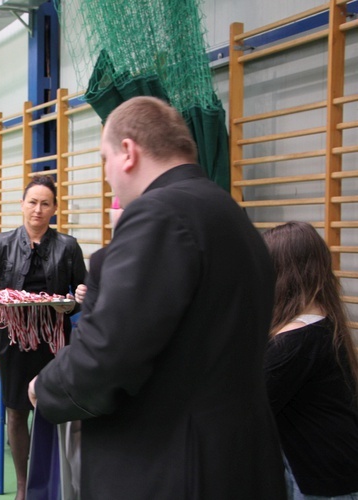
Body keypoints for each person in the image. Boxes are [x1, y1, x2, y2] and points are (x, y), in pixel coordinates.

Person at [28, 96, 287, 499]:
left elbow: (108, 354)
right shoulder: (231, 216)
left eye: (104, 159)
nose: (107, 175)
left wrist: (47, 387)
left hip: (170, 468)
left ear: (128, 152)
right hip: (235, 463)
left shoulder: (160, 216)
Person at [0, 174, 86, 500]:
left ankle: (53, 483)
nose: (38, 209)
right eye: (32, 202)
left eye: (45, 203)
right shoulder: (1, 243)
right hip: (15, 340)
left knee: (52, 408)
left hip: (54, 342)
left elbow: (82, 294)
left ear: (54, 209)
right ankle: (23, 486)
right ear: (22, 205)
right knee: (16, 410)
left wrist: (77, 298)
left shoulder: (68, 246)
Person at [262, 221, 358, 499]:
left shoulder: (296, 342)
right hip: (330, 472)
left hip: (330, 480)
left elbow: (248, 405)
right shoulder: (319, 323)